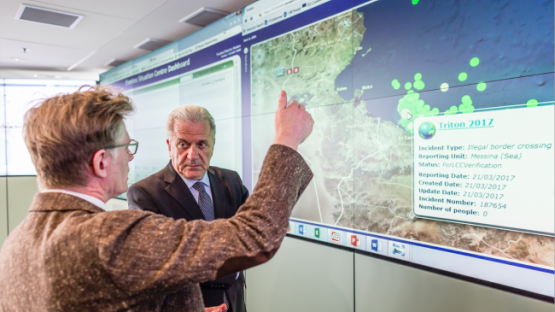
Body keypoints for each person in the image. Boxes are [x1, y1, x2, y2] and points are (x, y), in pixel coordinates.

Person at [0, 86, 314, 312]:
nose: (129, 157)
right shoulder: (109, 237)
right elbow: (252, 237)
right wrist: (286, 140)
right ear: (100, 162)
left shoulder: (13, 245)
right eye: (126, 147)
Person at [127, 106, 248, 312]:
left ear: (213, 145)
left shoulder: (231, 180)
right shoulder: (144, 194)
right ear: (169, 145)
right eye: (183, 144)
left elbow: (251, 232)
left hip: (235, 303)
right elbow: (162, 267)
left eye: (202, 144)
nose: (193, 155)